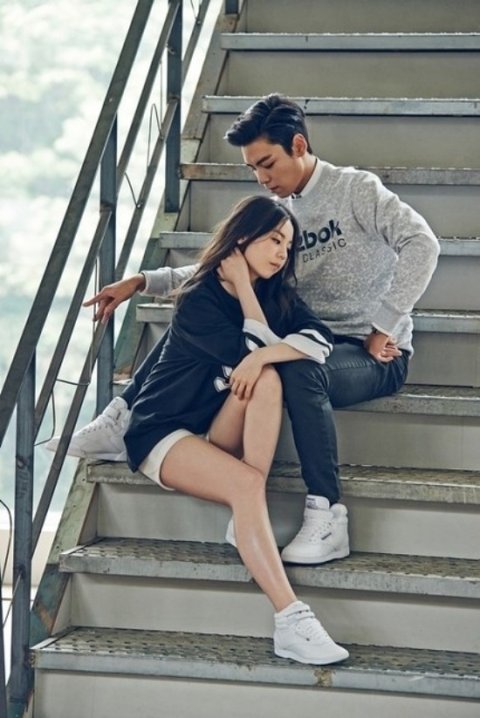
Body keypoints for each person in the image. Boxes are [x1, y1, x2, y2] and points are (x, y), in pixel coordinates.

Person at [47, 94, 439, 566]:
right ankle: (124, 414)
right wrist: (144, 281)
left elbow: (423, 243)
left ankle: (327, 513)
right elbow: (226, 265)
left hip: (367, 352)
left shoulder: (356, 190)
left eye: (267, 164)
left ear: (299, 146)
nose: (262, 178)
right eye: (253, 169)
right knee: (202, 307)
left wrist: (384, 324)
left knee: (295, 371)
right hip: (294, 335)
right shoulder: (278, 214)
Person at [107, 195, 348, 664]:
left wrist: (263, 349)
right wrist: (241, 289)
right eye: (274, 240)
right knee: (248, 479)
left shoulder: (275, 295)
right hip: (163, 431)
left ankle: (245, 518)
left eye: (288, 245)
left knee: (268, 377)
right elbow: (250, 349)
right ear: (241, 239)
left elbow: (320, 342)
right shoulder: (200, 298)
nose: (282, 253)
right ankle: (291, 619)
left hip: (216, 427)